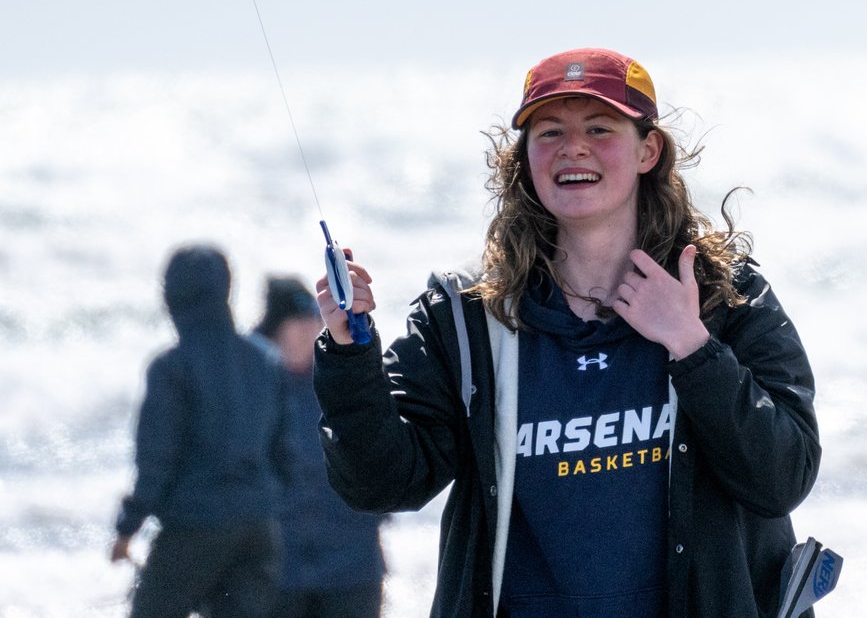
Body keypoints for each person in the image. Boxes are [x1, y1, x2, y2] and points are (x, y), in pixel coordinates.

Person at [312, 48, 820, 618]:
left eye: (600, 128)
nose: (572, 148)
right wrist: (350, 352)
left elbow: (784, 477)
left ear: (648, 150)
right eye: (549, 132)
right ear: (524, 158)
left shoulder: (727, 298)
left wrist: (692, 346)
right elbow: (382, 485)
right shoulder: (469, 322)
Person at [111, 245, 298, 618]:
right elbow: (286, 452)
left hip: (195, 526)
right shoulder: (264, 359)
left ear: (172, 295)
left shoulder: (171, 368)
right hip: (258, 529)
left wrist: (128, 527)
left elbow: (156, 461)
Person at [251, 277, 385, 618]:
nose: (308, 329)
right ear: (274, 329)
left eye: (313, 320)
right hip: (277, 571)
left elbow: (383, 451)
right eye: (296, 322)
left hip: (352, 565)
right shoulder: (250, 389)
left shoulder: (343, 376)